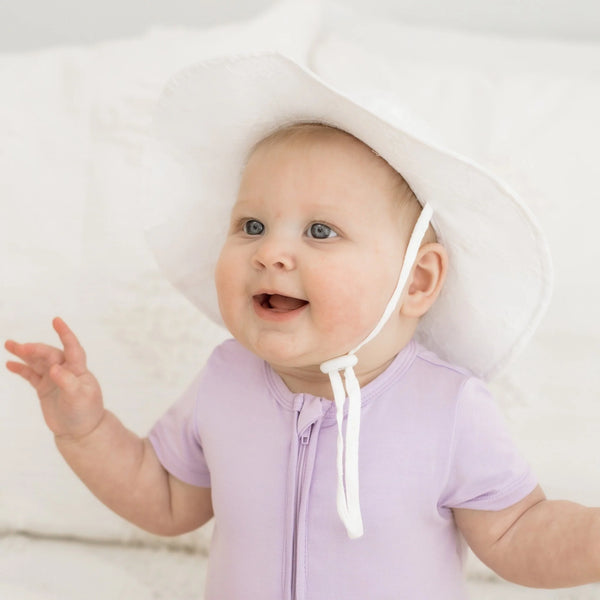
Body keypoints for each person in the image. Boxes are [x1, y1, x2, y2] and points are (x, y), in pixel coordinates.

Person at [4, 52, 599, 599]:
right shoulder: (224, 379)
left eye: (320, 231)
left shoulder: (448, 407)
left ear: (415, 282)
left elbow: (519, 532)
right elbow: (164, 499)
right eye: (252, 226)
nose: (270, 253)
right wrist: (85, 431)